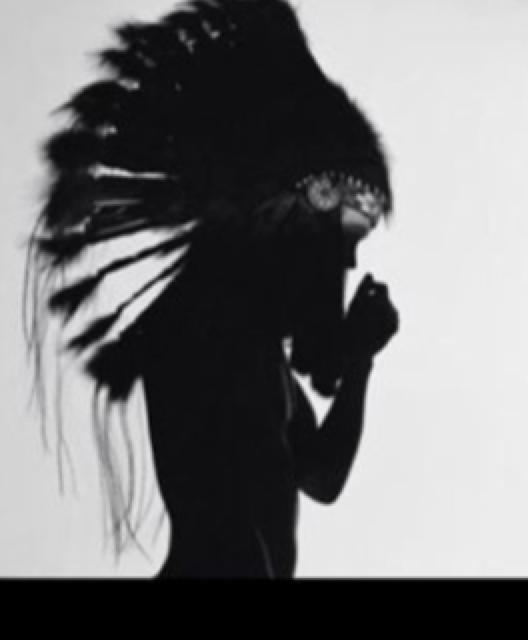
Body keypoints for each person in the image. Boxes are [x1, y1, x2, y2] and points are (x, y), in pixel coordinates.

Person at [25, 0, 399, 578]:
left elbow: (322, 474)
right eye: (340, 234)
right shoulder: (203, 329)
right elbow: (226, 528)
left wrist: (361, 362)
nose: (348, 260)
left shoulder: (255, 349)